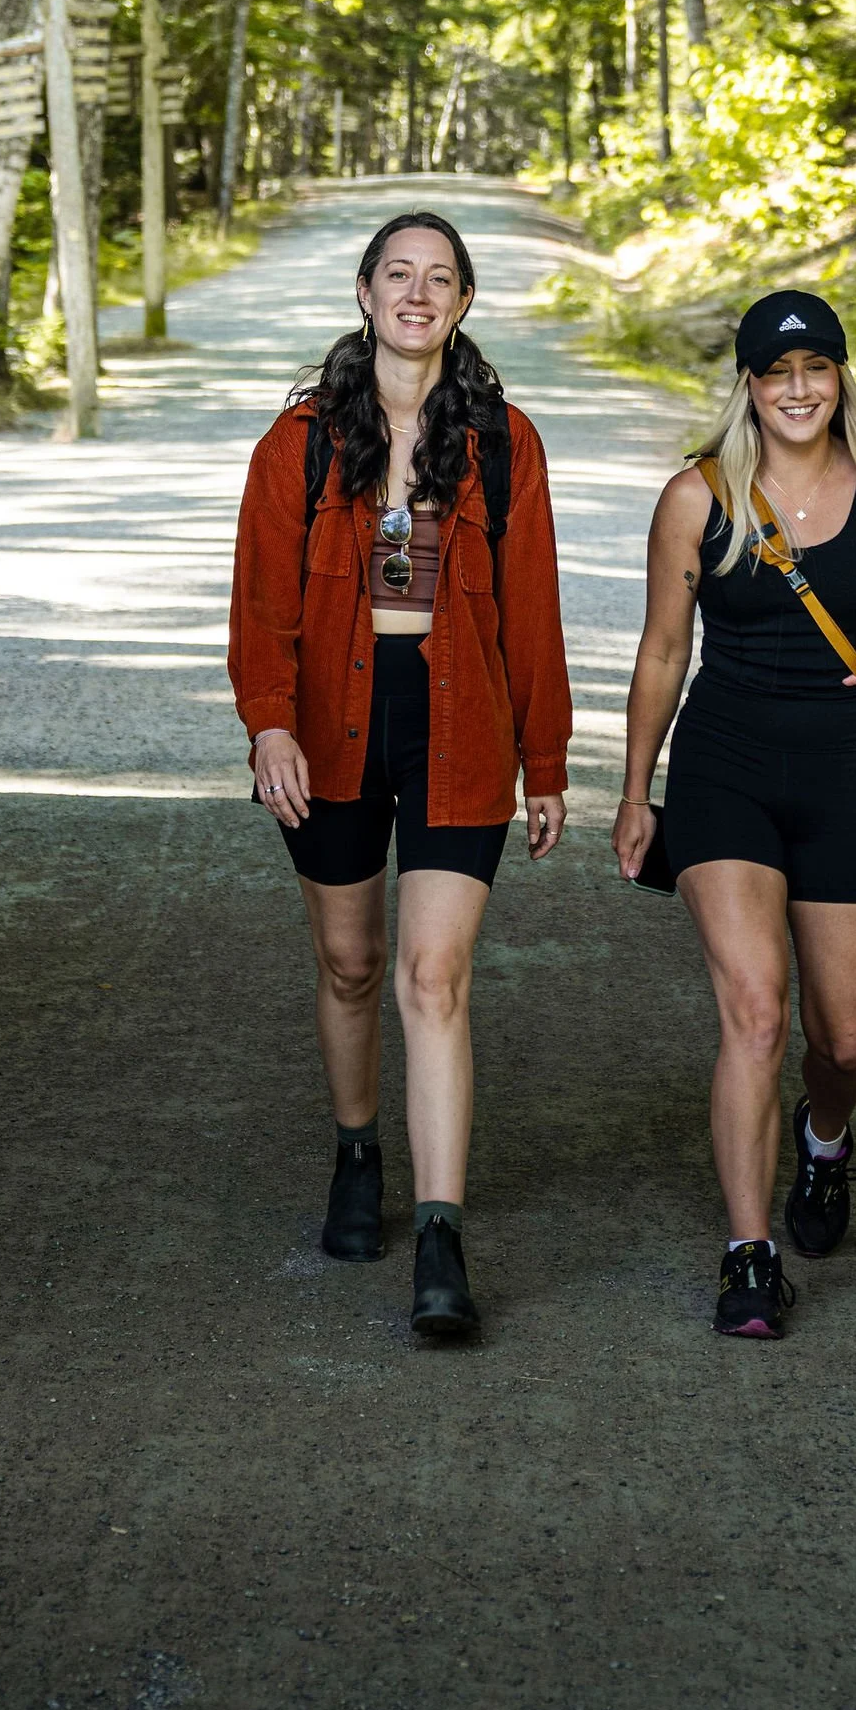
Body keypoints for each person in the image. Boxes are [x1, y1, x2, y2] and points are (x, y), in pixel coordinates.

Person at [613, 289, 856, 1339]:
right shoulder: (696, 496)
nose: (796, 390)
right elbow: (659, 652)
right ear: (746, 385)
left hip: (845, 767)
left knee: (847, 1037)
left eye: (813, 369)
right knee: (755, 1011)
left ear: (838, 377)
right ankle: (747, 1254)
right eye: (774, 374)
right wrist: (635, 790)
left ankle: (823, 1141)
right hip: (723, 765)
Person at [229, 212, 571, 1341]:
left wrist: (548, 759)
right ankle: (356, 1151)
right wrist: (267, 726)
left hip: (459, 724)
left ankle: (439, 1238)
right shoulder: (301, 444)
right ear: (366, 294)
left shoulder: (503, 443)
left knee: (434, 975)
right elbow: (260, 605)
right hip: (328, 725)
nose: (417, 294)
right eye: (397, 275)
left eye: (440, 279)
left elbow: (535, 615)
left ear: (463, 304)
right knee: (349, 961)